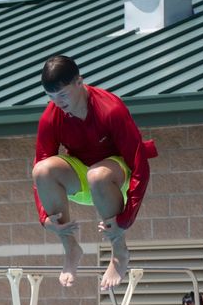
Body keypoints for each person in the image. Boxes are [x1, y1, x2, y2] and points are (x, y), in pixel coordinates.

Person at [32, 55, 157, 290]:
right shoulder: (51, 117)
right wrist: (44, 218)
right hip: (81, 177)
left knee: (97, 175)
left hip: (114, 176)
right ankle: (71, 248)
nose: (57, 102)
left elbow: (140, 166)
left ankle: (119, 252)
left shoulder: (111, 109)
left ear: (79, 82)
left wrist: (125, 219)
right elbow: (40, 172)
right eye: (51, 97)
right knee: (42, 169)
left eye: (63, 94)